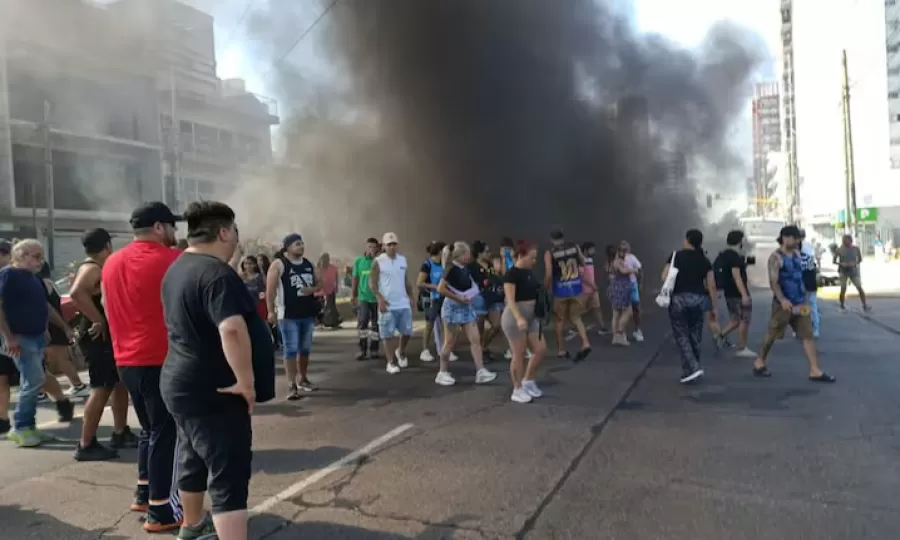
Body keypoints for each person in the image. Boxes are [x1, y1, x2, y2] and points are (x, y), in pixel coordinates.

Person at [160, 201, 276, 540]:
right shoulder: (216, 273)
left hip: (182, 382)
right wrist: (245, 381)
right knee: (229, 473)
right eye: (235, 233)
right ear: (224, 232)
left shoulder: (179, 266)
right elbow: (231, 329)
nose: (237, 240)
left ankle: (193, 525)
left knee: (193, 456)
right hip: (214, 389)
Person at [102, 202, 195, 534]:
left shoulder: (112, 262)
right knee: (167, 433)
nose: (175, 233)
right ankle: (162, 509)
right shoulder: (173, 261)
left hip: (126, 359)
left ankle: (144, 492)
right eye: (172, 226)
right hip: (161, 359)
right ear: (159, 227)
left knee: (150, 430)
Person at [0, 239, 76, 447]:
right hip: (20, 337)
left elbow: (44, 307)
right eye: (36, 256)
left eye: (41, 256)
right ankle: (22, 427)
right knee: (32, 381)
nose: (40, 261)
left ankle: (27, 427)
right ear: (21, 255)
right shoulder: (8, 275)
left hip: (35, 337)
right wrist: (8, 337)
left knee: (35, 380)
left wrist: (60, 327)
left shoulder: (33, 278)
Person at [69, 228, 136, 460]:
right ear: (106, 245)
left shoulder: (97, 267)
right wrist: (99, 320)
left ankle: (120, 432)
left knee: (118, 384)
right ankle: (86, 444)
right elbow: (76, 293)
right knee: (101, 387)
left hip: (106, 337)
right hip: (98, 338)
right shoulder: (92, 268)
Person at [752, 226, 835, 383]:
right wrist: (782, 299)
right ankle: (759, 362)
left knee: (807, 335)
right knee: (772, 334)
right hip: (783, 304)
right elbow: (773, 282)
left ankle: (814, 370)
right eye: (795, 238)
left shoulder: (797, 254)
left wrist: (805, 298)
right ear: (785, 237)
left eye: (798, 239)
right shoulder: (776, 257)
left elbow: (801, 276)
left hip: (800, 302)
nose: (798, 241)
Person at [434, 242, 498, 386]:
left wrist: (471, 295)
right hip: (452, 308)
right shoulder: (450, 269)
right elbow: (440, 289)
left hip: (466, 307)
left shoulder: (465, 269)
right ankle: (442, 372)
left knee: (475, 339)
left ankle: (480, 371)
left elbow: (470, 285)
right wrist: (459, 298)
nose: (469, 256)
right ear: (462, 255)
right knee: (449, 342)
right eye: (467, 253)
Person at [266, 234, 321, 399]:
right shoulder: (280, 264)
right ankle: (291, 384)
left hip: (307, 313)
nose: (301, 247)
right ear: (287, 247)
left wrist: (311, 290)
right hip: (288, 315)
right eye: (297, 244)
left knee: (305, 349)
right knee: (290, 349)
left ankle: (303, 379)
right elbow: (270, 289)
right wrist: (271, 311)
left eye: (302, 244)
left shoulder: (308, 264)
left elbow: (319, 283)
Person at [662, 229, 718, 384]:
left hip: (679, 300)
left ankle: (693, 368)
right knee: (695, 335)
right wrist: (714, 307)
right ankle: (689, 371)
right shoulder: (704, 260)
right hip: (698, 300)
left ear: (687, 240)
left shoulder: (676, 256)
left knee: (681, 336)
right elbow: (711, 286)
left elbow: (664, 276)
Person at [501, 241, 547, 403]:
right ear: (521, 255)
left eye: (535, 258)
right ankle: (517, 388)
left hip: (532, 316)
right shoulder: (511, 274)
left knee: (540, 349)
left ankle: (528, 380)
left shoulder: (529, 272)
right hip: (515, 317)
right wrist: (519, 318)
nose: (534, 261)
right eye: (532, 257)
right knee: (518, 354)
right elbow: (510, 300)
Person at [37, 262, 89, 398]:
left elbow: (46, 307)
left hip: (50, 324)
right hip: (56, 323)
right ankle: (76, 385)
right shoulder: (48, 283)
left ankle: (42, 391)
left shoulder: (39, 283)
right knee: (58, 357)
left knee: (48, 358)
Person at [369, 232, 415, 374]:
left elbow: (406, 281)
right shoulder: (379, 261)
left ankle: (400, 351)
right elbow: (372, 282)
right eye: (389, 244)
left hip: (403, 302)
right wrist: (379, 298)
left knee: (407, 332)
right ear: (383, 246)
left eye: (394, 244)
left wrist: (411, 297)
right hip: (388, 304)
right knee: (388, 334)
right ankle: (390, 362)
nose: (392, 247)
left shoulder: (402, 260)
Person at [544, 228, 591, 360]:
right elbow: (583, 262)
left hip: (560, 290)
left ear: (551, 240)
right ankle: (585, 343)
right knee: (576, 317)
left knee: (560, 320)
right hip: (576, 287)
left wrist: (545, 288)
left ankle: (561, 350)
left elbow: (548, 274)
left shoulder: (550, 253)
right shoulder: (574, 247)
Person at [713, 230, 756, 357]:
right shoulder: (734, 257)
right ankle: (743, 348)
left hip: (729, 293)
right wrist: (744, 295)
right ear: (740, 241)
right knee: (744, 319)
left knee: (735, 319)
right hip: (737, 294)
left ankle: (719, 336)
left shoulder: (724, 255)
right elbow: (737, 277)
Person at [416, 241, 449, 363]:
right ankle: (425, 350)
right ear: (441, 251)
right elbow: (419, 283)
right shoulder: (428, 264)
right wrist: (435, 287)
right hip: (431, 298)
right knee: (429, 324)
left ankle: (445, 350)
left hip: (443, 298)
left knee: (446, 324)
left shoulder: (444, 264)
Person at [351, 238, 381, 361]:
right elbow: (355, 278)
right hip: (363, 297)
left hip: (377, 298)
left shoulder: (380, 261)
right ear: (365, 247)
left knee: (376, 324)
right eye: (369, 247)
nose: (371, 249)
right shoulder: (358, 261)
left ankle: (374, 350)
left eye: (373, 247)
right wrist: (353, 295)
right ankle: (362, 350)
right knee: (363, 322)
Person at [608, 243, 637, 346]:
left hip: (618, 287)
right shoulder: (617, 262)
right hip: (621, 288)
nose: (625, 253)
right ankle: (619, 333)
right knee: (627, 311)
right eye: (623, 251)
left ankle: (616, 337)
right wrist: (632, 270)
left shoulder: (617, 261)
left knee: (616, 313)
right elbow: (623, 271)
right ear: (619, 252)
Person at [579, 242, 610, 335]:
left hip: (592, 289)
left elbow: (590, 275)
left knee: (597, 308)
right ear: (585, 250)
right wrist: (592, 285)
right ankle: (576, 327)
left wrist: (594, 285)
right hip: (583, 290)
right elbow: (582, 276)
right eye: (592, 249)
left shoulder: (590, 260)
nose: (594, 251)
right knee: (579, 310)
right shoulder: (581, 260)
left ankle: (602, 327)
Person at [834, 234, 870, 312]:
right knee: (843, 288)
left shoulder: (856, 249)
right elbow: (834, 261)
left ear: (850, 241)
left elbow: (860, 259)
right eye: (844, 240)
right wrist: (841, 264)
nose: (845, 242)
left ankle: (864, 304)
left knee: (859, 287)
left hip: (853, 271)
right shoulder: (839, 250)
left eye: (846, 240)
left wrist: (855, 263)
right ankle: (842, 305)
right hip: (843, 271)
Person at [798, 229, 821, 337]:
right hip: (811, 282)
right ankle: (815, 329)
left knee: (803, 305)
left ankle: (803, 328)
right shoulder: (809, 249)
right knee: (813, 305)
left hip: (801, 284)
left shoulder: (796, 257)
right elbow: (813, 268)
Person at [316, 253, 340, 329]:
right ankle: (324, 321)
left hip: (330, 290)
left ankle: (331, 322)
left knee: (330, 306)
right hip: (321, 291)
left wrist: (336, 288)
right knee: (322, 307)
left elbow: (336, 278)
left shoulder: (332, 268)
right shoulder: (319, 268)